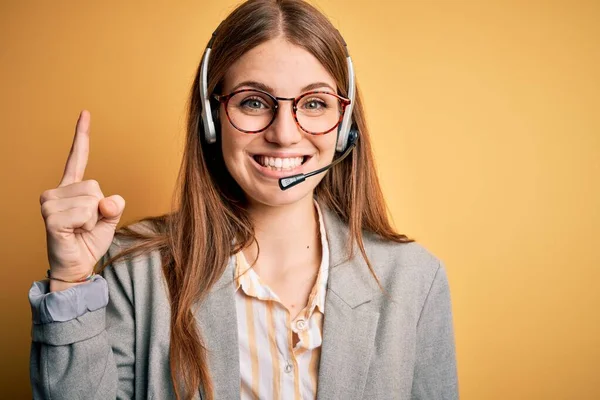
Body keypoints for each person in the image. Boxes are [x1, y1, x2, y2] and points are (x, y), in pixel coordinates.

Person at [29, 0, 458, 399]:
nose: (285, 133)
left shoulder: (416, 280)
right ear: (213, 117)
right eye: (253, 101)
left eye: (314, 103)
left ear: (344, 124)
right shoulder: (134, 271)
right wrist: (70, 281)